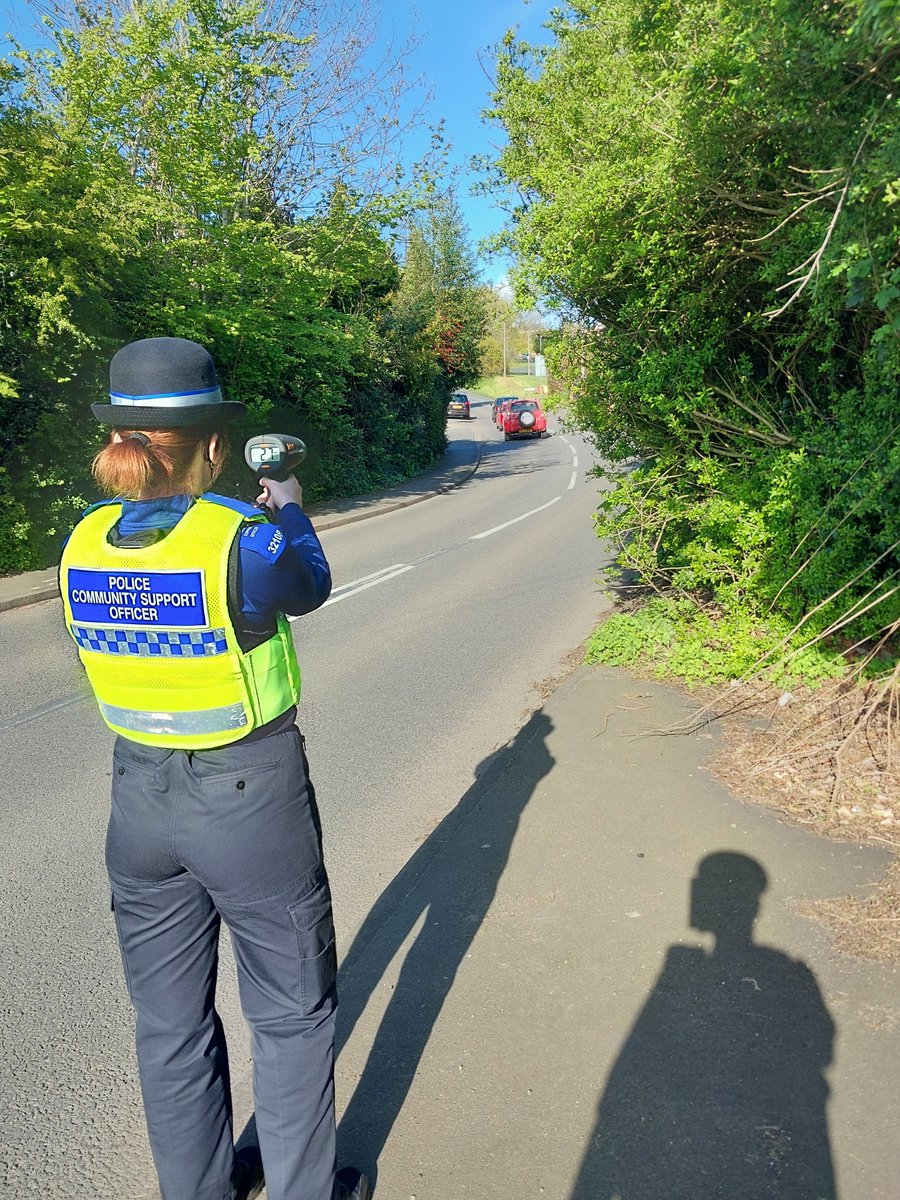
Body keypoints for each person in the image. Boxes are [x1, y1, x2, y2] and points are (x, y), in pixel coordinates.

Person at [59, 337, 369, 1200]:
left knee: (167, 1023)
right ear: (216, 445)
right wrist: (292, 507)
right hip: (248, 795)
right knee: (290, 1014)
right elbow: (308, 583)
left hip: (136, 802)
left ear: (120, 436)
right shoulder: (244, 539)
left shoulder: (80, 541)